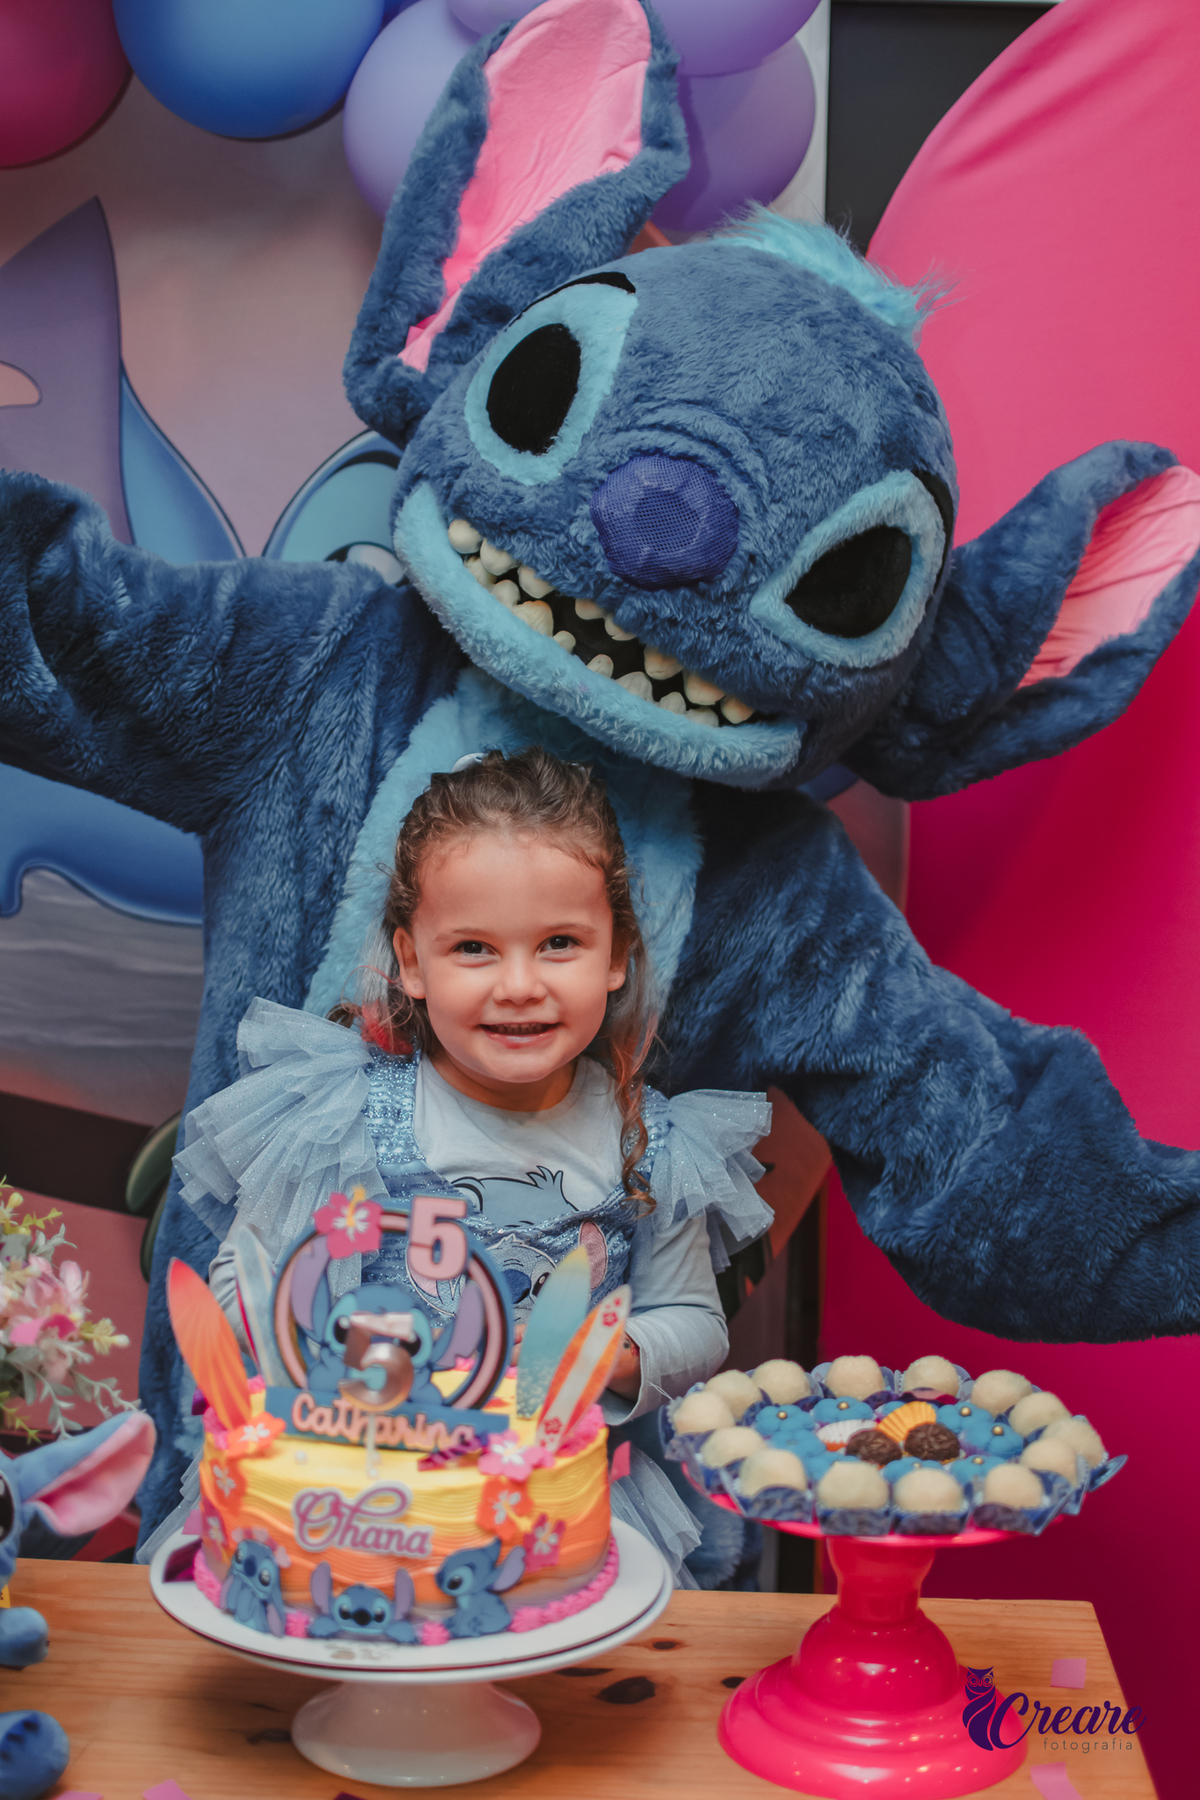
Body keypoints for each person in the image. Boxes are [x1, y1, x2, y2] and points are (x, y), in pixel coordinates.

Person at [169, 747, 774, 1586]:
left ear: (617, 954)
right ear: (412, 962)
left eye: (559, 943)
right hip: (358, 1501)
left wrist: (610, 1352)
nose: (519, 985)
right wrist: (318, 1352)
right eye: (474, 949)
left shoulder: (651, 1142)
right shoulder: (341, 1118)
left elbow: (695, 1322)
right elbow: (245, 1273)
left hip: (552, 1514)